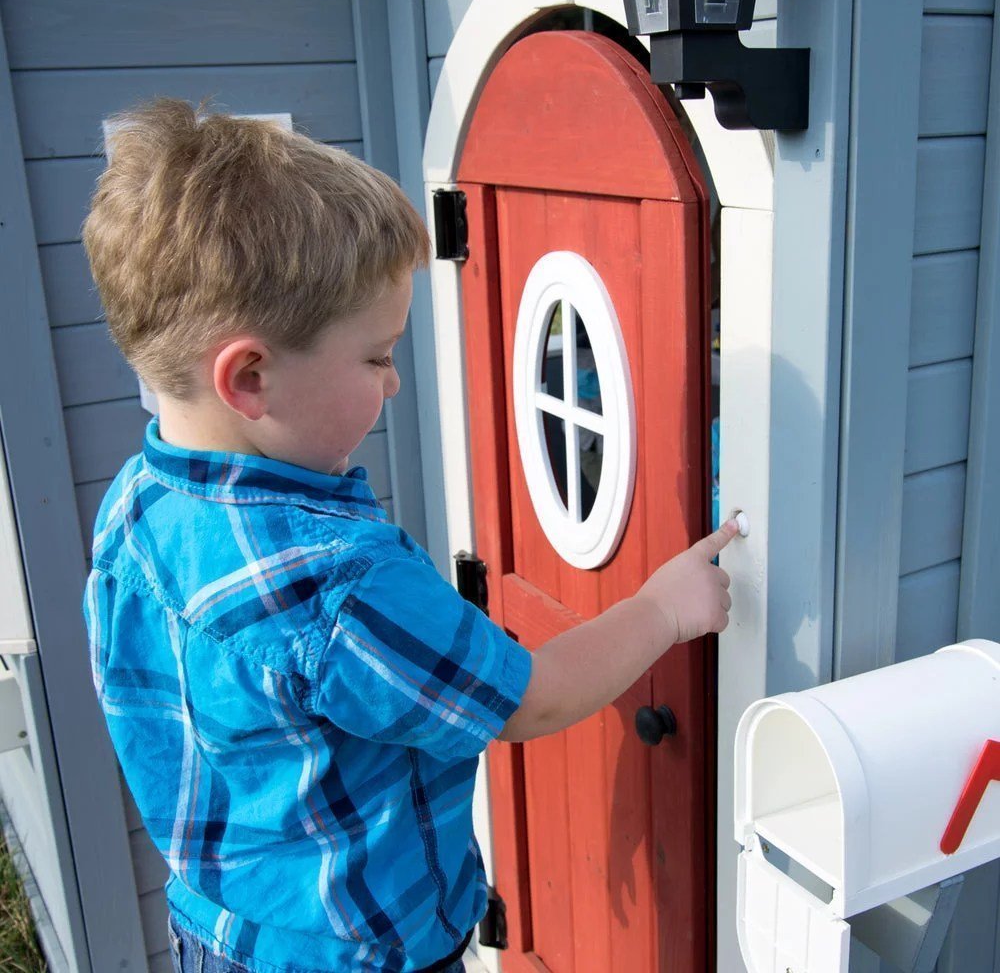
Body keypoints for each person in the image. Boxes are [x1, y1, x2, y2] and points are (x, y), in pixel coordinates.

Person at [81, 100, 736, 973]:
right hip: (363, 956)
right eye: (377, 356)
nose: (393, 383)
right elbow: (530, 699)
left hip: (219, 933)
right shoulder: (336, 584)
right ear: (250, 377)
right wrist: (662, 608)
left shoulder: (135, 506)